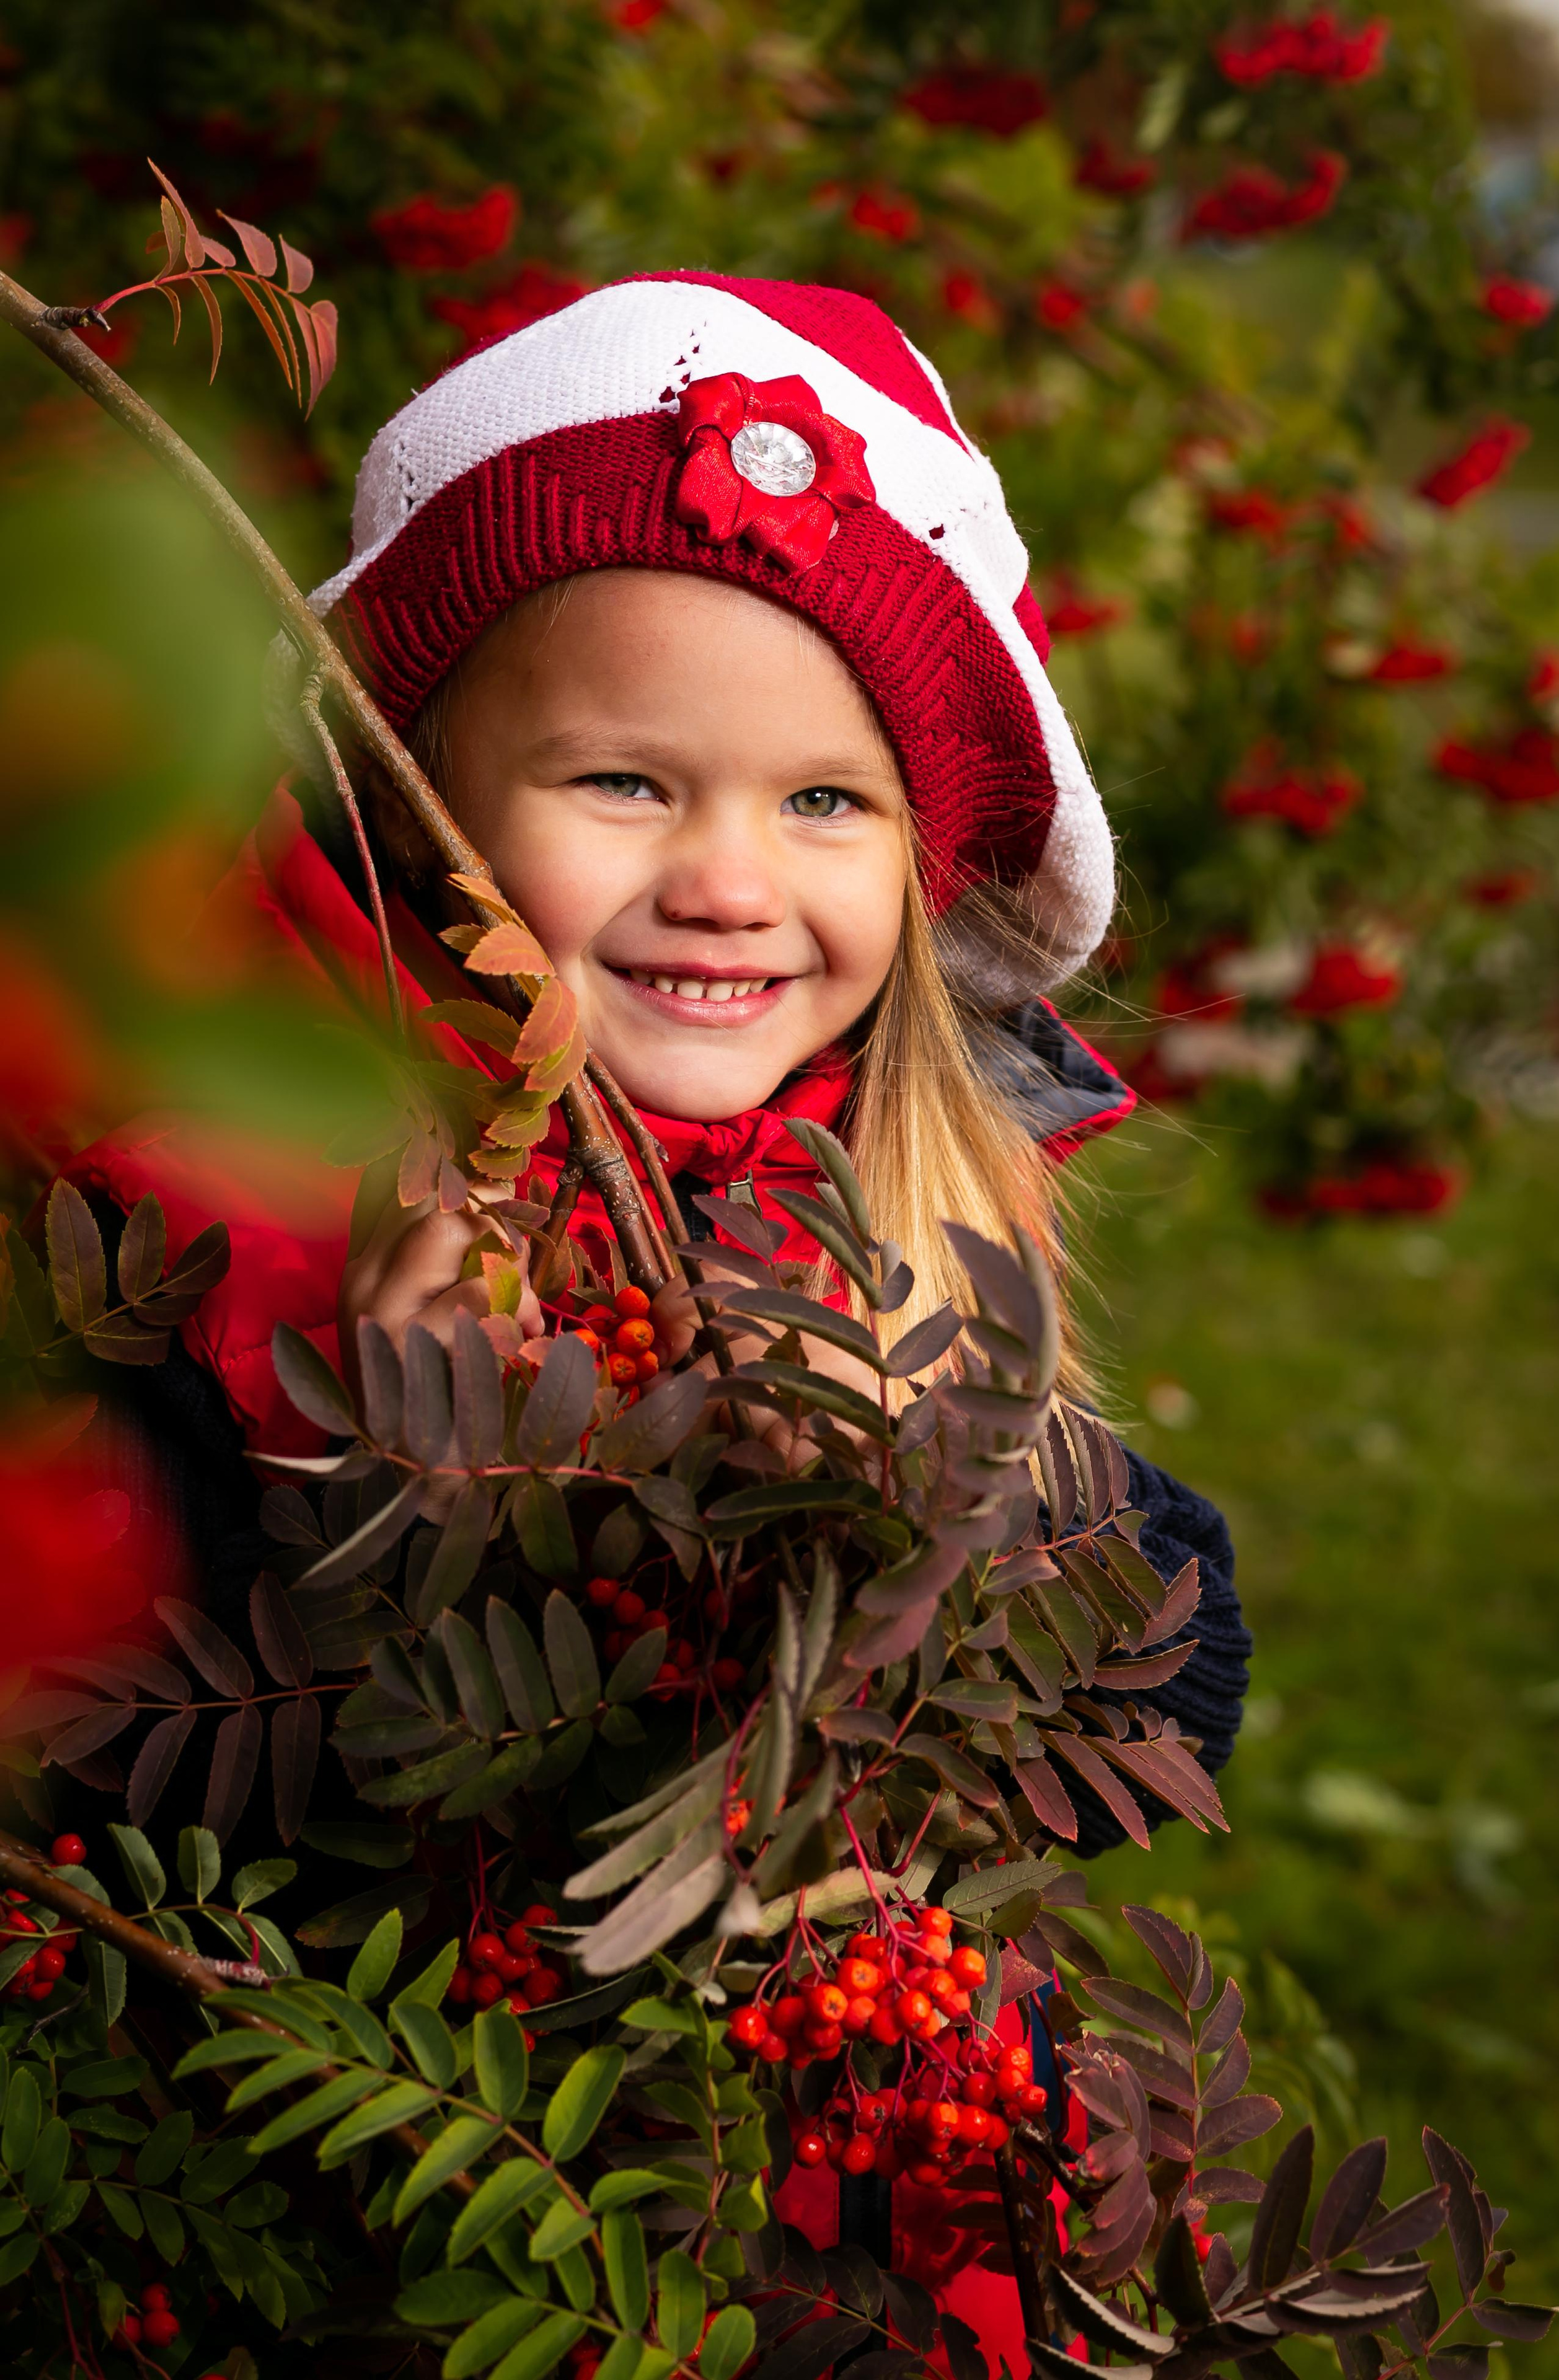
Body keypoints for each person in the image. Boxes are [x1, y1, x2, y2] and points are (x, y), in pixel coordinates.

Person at [64, 272, 1250, 2367]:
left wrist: (934, 1513)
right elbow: (93, 1760)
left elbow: (1169, 1699)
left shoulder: (893, 1207)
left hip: (779, 2223)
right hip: (332, 2193)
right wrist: (358, 1493)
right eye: (625, 782)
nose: (728, 880)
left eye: (823, 803)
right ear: (409, 788)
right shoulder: (227, 1209)